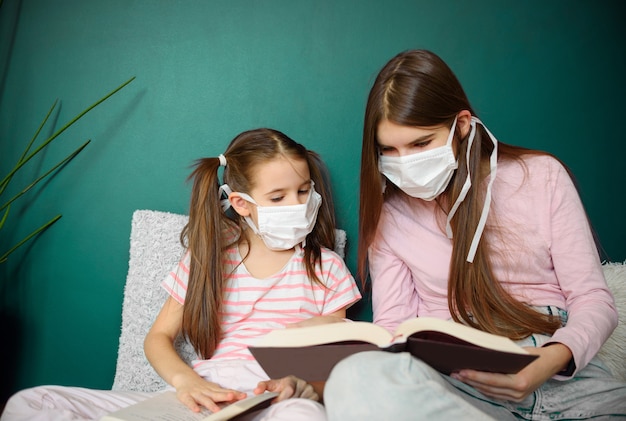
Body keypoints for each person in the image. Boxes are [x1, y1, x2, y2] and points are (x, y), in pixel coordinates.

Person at [323, 49, 626, 420]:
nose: (405, 162)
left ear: (462, 125)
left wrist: (552, 359)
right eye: (389, 150)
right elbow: (393, 327)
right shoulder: (390, 217)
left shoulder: (542, 176)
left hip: (562, 374)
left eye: (421, 144)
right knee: (352, 377)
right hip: (460, 385)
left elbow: (594, 298)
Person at [2, 128, 361, 421]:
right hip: (206, 392)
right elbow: (157, 337)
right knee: (33, 403)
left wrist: (300, 386)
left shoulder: (324, 266)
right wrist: (186, 382)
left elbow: (329, 356)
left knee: (304, 416)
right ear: (240, 203)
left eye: (303, 192)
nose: (298, 206)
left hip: (275, 398)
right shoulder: (208, 263)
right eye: (278, 197)